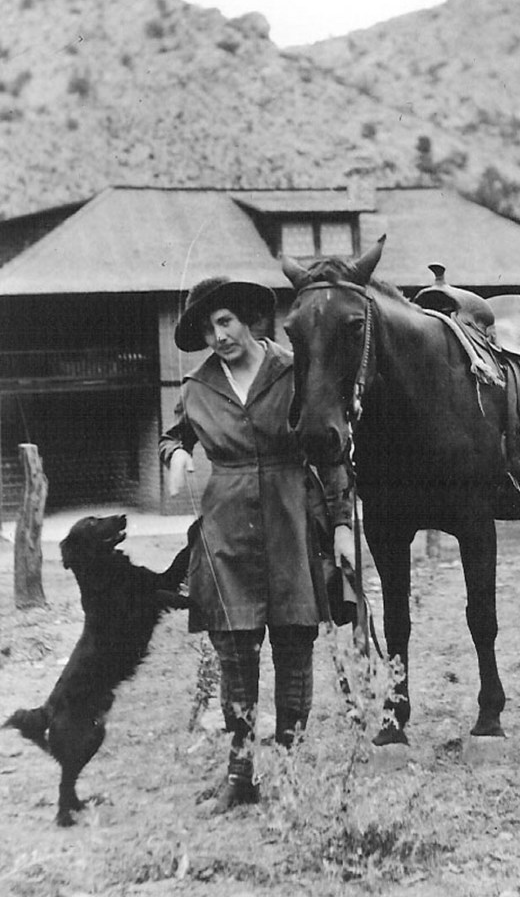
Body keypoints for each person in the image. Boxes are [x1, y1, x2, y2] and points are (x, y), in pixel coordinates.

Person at [159, 276, 354, 814]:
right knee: (235, 652)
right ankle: (241, 774)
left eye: (225, 322)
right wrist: (174, 453)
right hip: (227, 529)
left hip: (293, 515)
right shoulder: (197, 387)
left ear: (247, 319)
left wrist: (339, 524)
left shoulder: (295, 371)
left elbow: (330, 451)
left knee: (294, 645)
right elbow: (175, 435)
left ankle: (288, 770)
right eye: (207, 328)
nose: (218, 335)